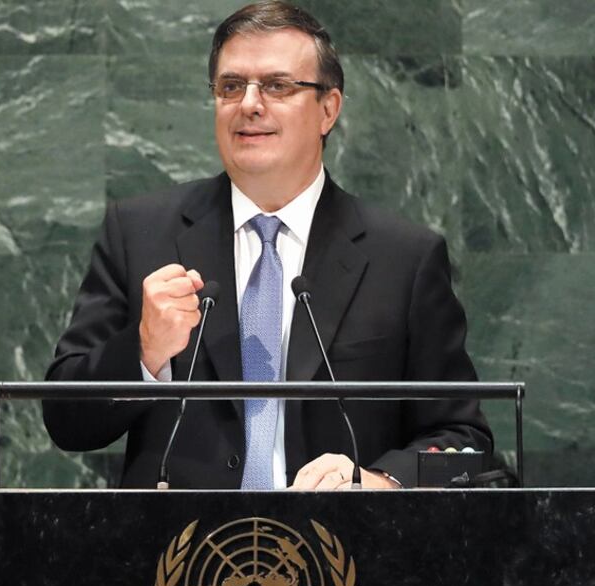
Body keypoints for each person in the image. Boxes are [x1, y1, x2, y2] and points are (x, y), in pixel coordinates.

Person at [43, 1, 492, 489]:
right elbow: (66, 421)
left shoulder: (403, 258)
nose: (250, 104)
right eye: (231, 86)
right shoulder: (139, 233)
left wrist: (381, 480)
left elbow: (465, 442)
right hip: (177, 555)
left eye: (277, 86)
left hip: (341, 552)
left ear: (328, 108)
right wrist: (144, 351)